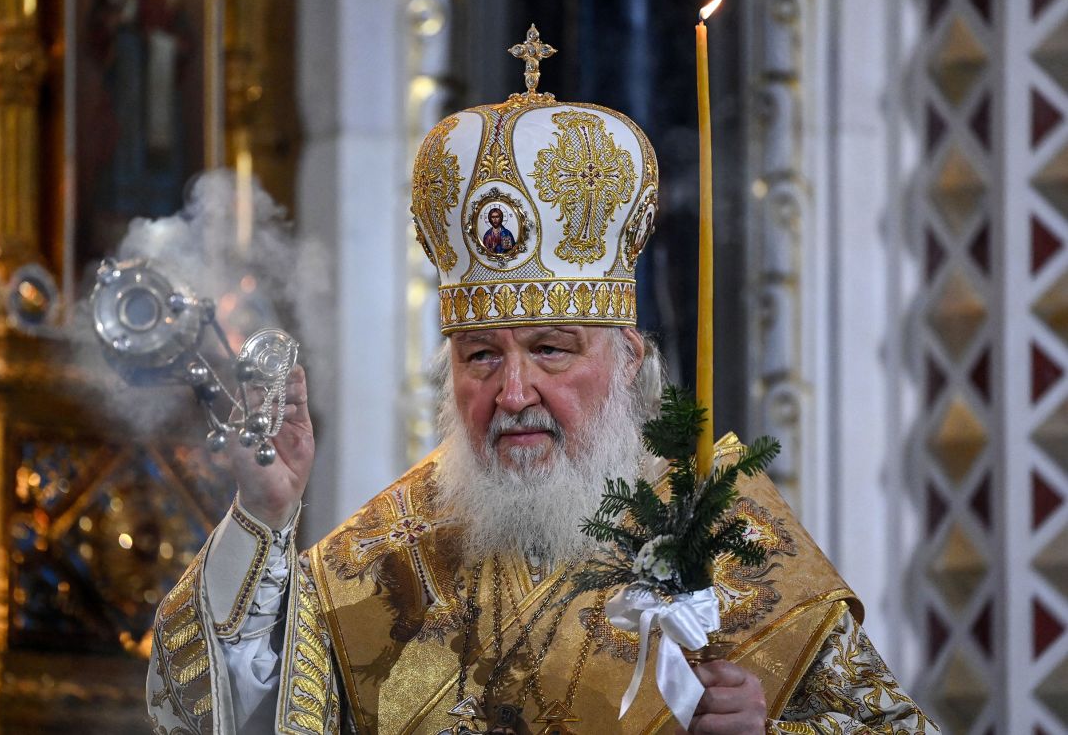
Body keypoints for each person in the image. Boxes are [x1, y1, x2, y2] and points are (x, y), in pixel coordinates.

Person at [147, 37, 939, 735]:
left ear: (628, 360)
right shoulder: (386, 563)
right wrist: (262, 518)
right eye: (481, 357)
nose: (514, 391)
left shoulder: (731, 540)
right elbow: (212, 714)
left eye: (552, 350)